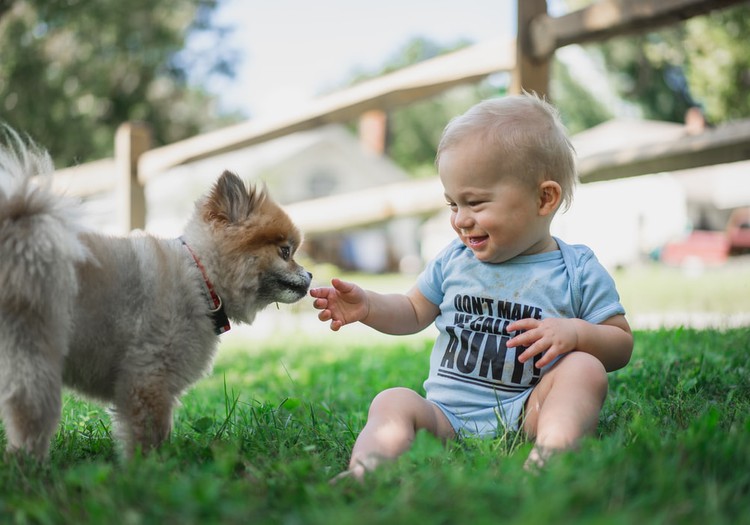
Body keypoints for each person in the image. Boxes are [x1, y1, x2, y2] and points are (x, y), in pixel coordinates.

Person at [310, 93, 634, 480]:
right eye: (452, 205)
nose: (461, 220)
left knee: (585, 369)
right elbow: (413, 311)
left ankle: (551, 454)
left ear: (543, 198)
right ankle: (367, 471)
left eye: (476, 203)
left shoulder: (576, 268)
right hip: (445, 418)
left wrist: (576, 333)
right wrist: (369, 307)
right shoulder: (453, 260)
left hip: (529, 411)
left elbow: (620, 343)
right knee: (392, 400)